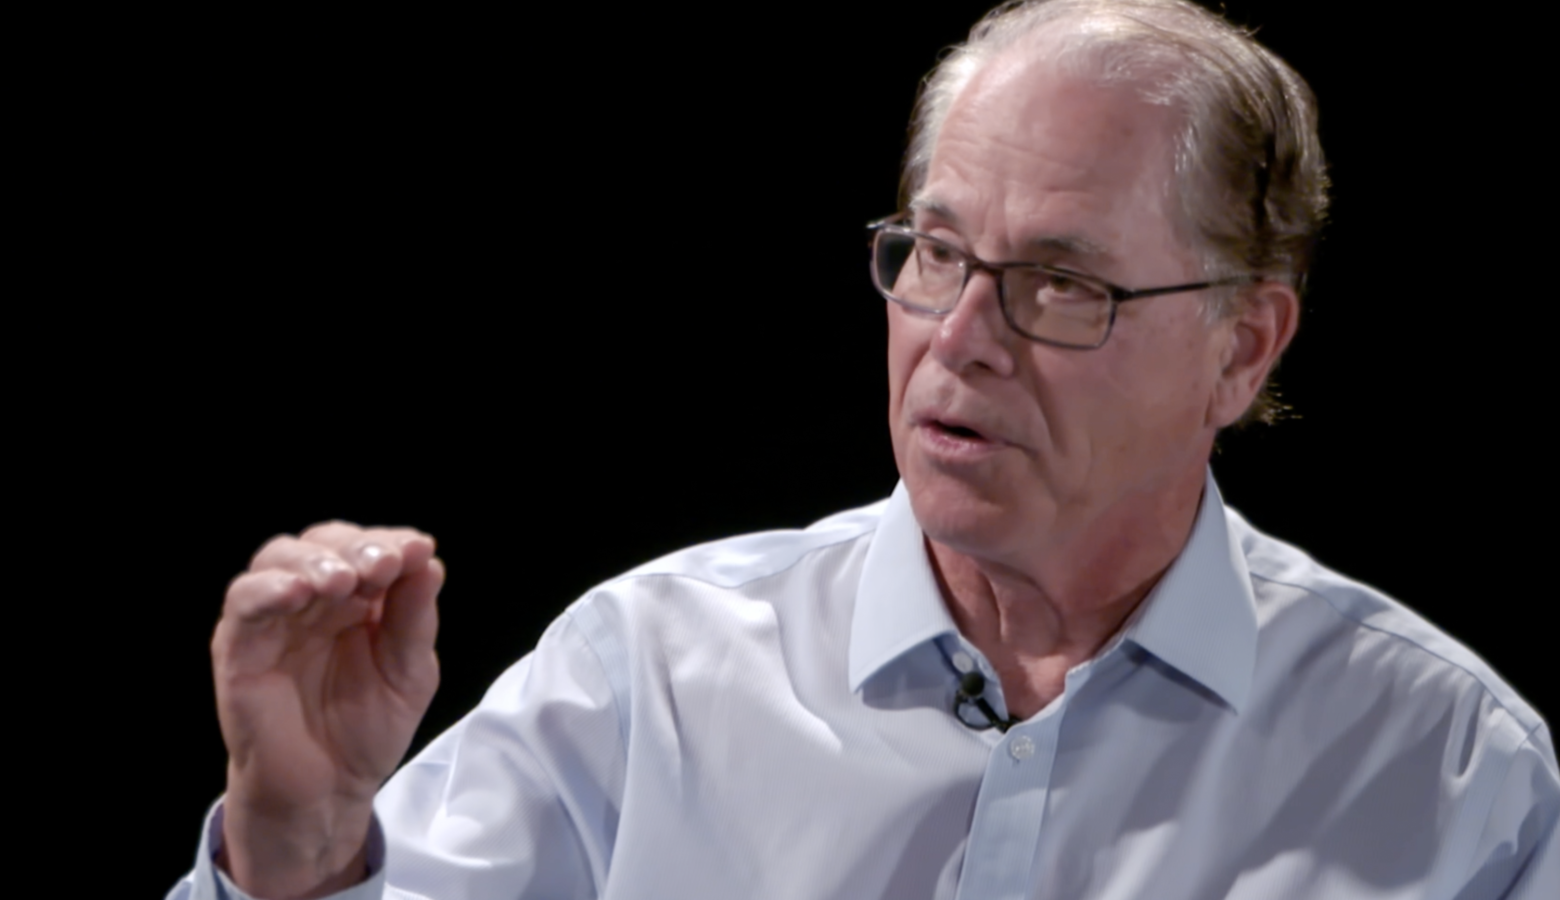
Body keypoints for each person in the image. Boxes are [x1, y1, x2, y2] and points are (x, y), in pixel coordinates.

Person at [170, 1, 1558, 897]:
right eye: (937, 253)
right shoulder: (652, 672)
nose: (961, 338)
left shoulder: (1440, 766)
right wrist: (295, 860)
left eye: (1062, 284)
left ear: (1244, 347)